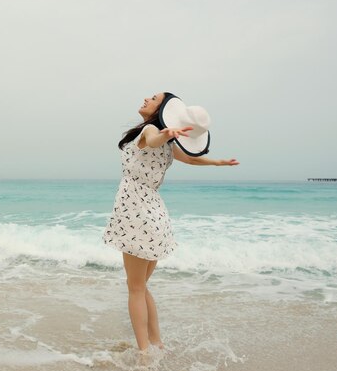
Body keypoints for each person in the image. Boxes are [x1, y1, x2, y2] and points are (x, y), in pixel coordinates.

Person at [102, 92, 239, 355]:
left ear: (160, 109)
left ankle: (144, 353)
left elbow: (152, 139)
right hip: (155, 214)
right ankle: (156, 343)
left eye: (152, 98)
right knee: (142, 287)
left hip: (136, 211)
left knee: (135, 288)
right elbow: (190, 158)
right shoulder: (167, 142)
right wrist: (218, 162)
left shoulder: (152, 130)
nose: (145, 99)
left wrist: (165, 134)